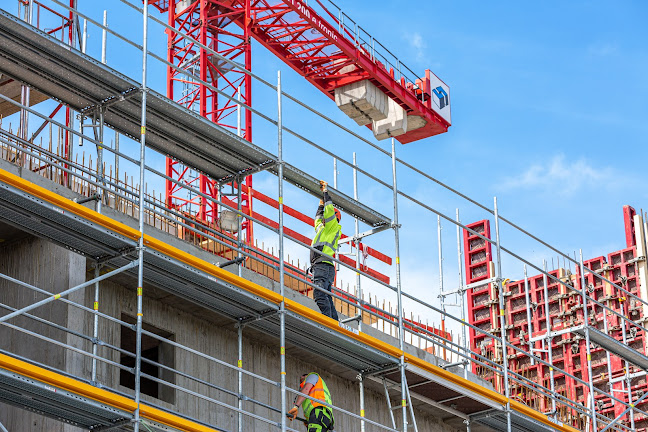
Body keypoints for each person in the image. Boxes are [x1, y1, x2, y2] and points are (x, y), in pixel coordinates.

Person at [310, 180, 341, 321]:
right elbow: (317, 220)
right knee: (326, 295)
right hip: (322, 266)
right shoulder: (323, 229)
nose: (323, 219)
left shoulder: (333, 226)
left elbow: (329, 211)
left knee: (319, 294)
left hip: (323, 265)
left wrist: (325, 192)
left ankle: (328, 321)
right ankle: (334, 321)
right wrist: (320, 205)